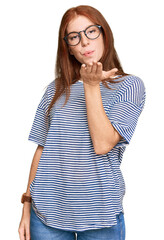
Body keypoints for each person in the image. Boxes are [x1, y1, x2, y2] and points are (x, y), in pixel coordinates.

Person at [18, 5, 146, 240]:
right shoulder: (55, 90)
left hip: (101, 213)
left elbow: (103, 144)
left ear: (104, 34)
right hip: (46, 212)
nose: (85, 42)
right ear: (68, 48)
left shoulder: (130, 86)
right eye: (74, 37)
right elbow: (41, 150)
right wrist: (26, 204)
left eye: (91, 32)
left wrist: (91, 85)